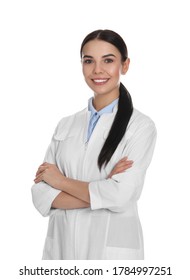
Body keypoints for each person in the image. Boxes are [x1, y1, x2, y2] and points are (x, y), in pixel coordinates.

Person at [31, 29, 157, 260]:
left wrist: (60, 182)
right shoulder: (65, 125)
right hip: (62, 251)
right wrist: (103, 189)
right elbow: (40, 194)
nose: (97, 70)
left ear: (125, 65)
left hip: (110, 255)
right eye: (89, 61)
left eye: (108, 60)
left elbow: (121, 196)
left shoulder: (140, 126)